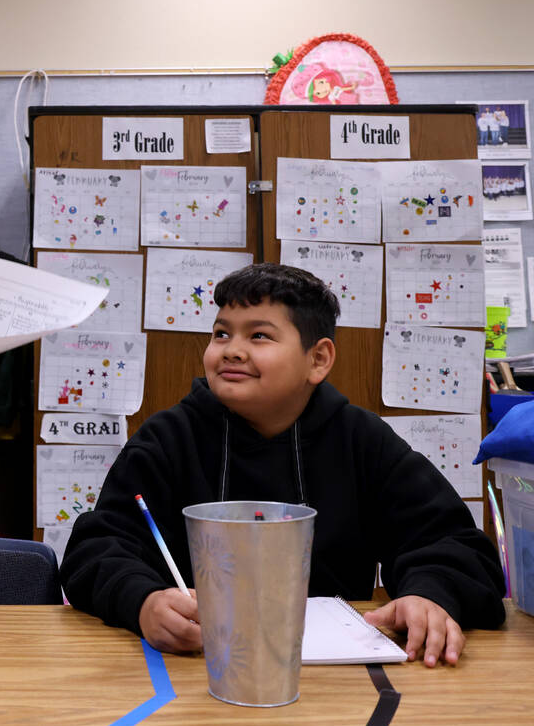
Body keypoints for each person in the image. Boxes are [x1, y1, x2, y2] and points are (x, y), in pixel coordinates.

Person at [60, 263, 505, 667]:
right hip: (188, 666)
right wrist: (143, 601)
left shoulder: (360, 440)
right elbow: (96, 547)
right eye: (221, 334)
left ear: (318, 359)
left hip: (336, 677)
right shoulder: (169, 438)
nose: (231, 350)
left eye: (258, 336)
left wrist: (429, 595)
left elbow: (456, 545)